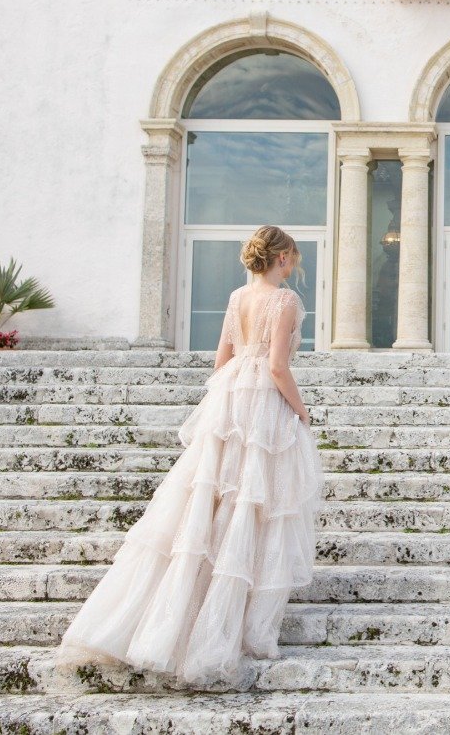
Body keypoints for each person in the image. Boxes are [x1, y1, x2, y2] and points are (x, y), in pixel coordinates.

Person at [57, 225, 323, 684]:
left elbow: (221, 362)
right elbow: (278, 366)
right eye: (293, 258)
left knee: (213, 498)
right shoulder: (285, 302)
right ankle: (230, 622)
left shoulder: (237, 298)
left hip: (229, 398)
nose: (294, 265)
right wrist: (302, 412)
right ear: (282, 259)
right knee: (254, 503)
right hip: (261, 403)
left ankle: (182, 610)